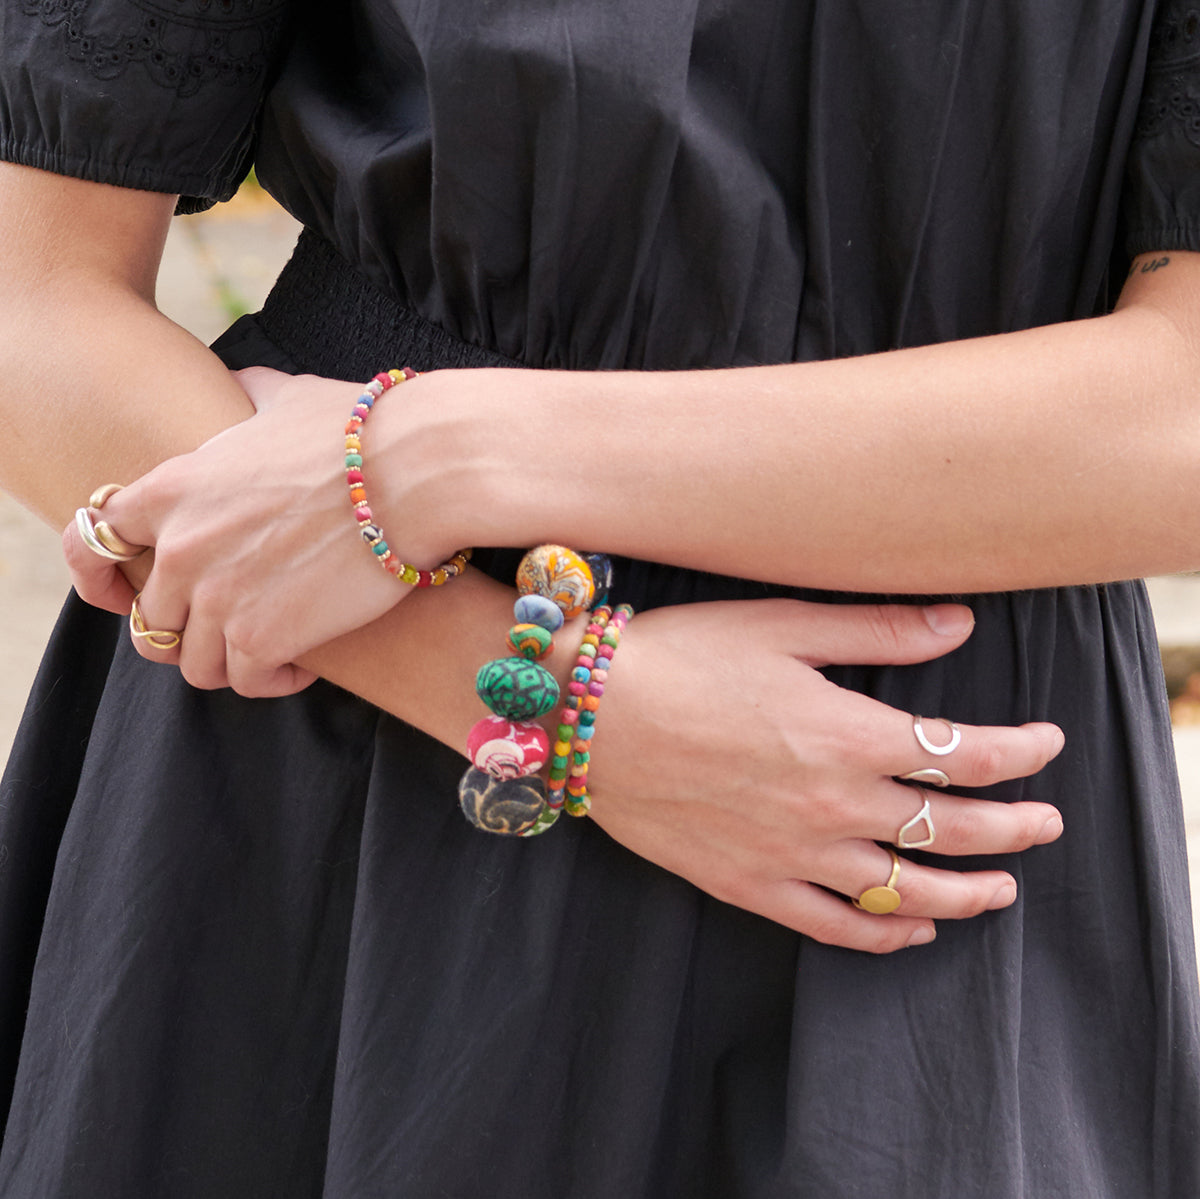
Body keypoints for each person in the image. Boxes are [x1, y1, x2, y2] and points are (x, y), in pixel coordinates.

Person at [0, 1, 1198, 1195]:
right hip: (345, 745)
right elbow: (36, 295)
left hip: (897, 828)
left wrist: (443, 455)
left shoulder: (415, 457)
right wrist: (564, 708)